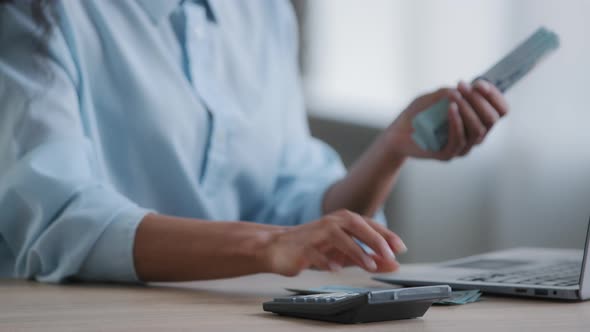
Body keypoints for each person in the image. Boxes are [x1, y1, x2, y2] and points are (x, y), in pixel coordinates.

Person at [0, 0, 508, 283]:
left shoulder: (264, 13)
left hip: (234, 314)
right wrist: (267, 246)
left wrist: (392, 148)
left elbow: (293, 207)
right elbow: (56, 221)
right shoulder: (38, 12)